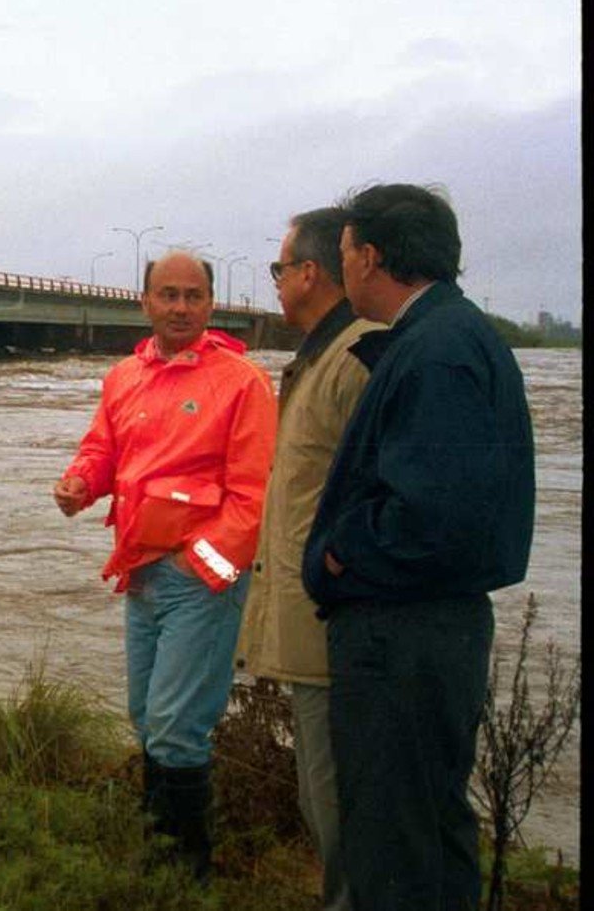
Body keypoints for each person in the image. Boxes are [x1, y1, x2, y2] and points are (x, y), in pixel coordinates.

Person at [303, 184, 534, 911]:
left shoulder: (434, 352)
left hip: (399, 637)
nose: (341, 274)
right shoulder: (445, 336)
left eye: (343, 257)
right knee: (427, 832)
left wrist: (339, 553)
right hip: (424, 633)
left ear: (370, 257)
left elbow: (430, 519)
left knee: (391, 843)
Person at [53, 251, 276, 880]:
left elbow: (253, 496)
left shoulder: (244, 382)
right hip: (140, 572)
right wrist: (79, 482)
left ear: (211, 304)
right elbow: (104, 448)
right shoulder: (125, 376)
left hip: (199, 581)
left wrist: (200, 567)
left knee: (178, 727)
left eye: (194, 296)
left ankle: (186, 874)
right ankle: (155, 858)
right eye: (168, 295)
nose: (181, 307)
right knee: (147, 719)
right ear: (145, 301)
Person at [236, 208, 381, 911]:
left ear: (308, 274)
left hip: (336, 630)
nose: (275, 283)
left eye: (278, 267)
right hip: (312, 624)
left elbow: (381, 498)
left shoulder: (357, 358)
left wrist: (338, 585)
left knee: (339, 804)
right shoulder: (322, 358)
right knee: (323, 797)